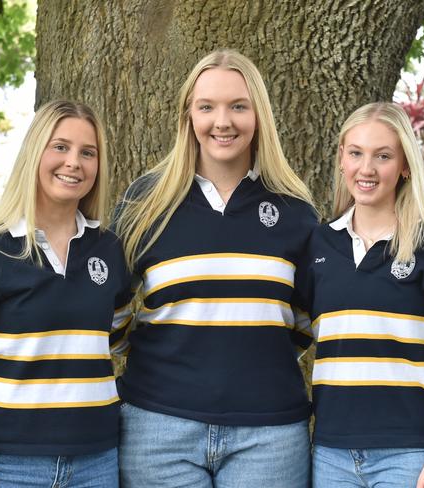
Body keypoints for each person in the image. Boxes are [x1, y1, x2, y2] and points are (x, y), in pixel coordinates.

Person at [114, 49, 318, 487]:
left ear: (258, 114)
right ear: (188, 115)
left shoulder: (296, 211)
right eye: (207, 107)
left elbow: (304, 320)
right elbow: (111, 310)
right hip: (157, 427)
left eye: (238, 106)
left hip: (270, 434)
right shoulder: (144, 203)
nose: (222, 121)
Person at [0, 100, 132, 488]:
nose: (74, 162)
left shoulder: (109, 251)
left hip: (97, 462)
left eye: (87, 152)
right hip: (7, 467)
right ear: (33, 153)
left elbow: (120, 341)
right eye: (60, 147)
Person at [297, 102, 424, 488]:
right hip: (331, 453)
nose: (366, 169)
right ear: (341, 160)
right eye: (356, 153)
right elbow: (289, 335)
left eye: (382, 156)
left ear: (404, 166)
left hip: (413, 456)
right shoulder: (319, 245)